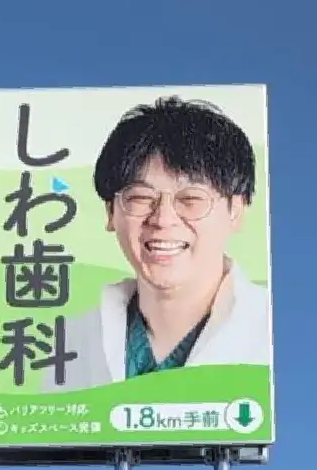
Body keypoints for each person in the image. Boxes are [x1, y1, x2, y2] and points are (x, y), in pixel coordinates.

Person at [44, 96, 270, 391]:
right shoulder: (70, 343)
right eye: (140, 197)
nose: (163, 219)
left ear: (236, 210)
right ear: (111, 212)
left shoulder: (272, 331)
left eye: (191, 199)